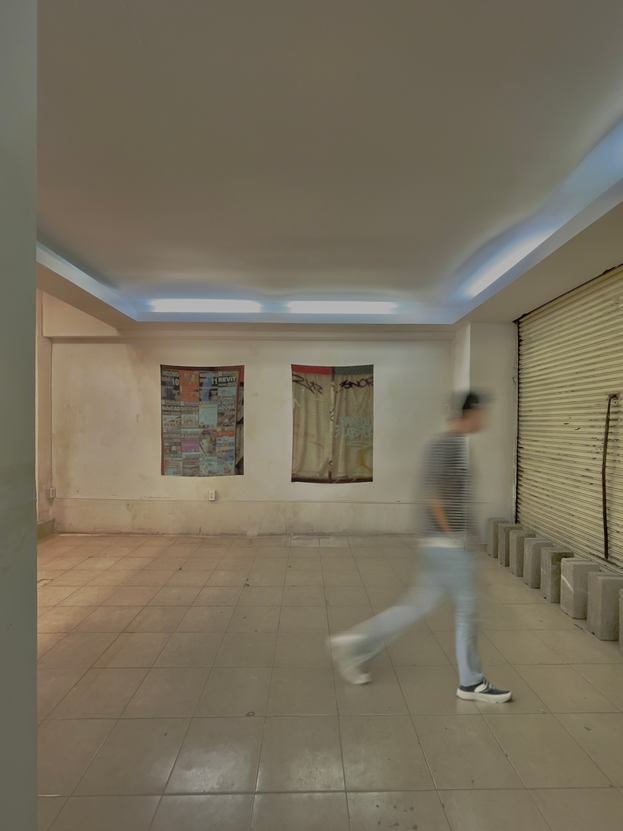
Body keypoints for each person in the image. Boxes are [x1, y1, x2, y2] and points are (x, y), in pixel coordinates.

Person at [327, 391, 512, 704]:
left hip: (440, 544)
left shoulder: (453, 444)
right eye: (482, 414)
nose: (485, 420)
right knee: (468, 610)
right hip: (445, 545)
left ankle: (353, 645)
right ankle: (471, 683)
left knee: (416, 607)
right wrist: (452, 536)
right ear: (470, 414)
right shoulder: (447, 445)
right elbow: (433, 495)